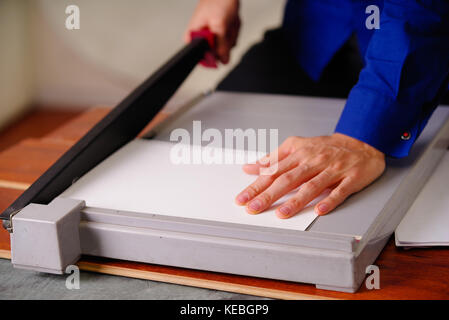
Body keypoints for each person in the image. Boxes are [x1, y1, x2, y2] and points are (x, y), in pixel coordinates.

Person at [184, 0, 449, 219]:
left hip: (423, 35)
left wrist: (359, 138)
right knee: (206, 128)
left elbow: (419, 13)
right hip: (315, 28)